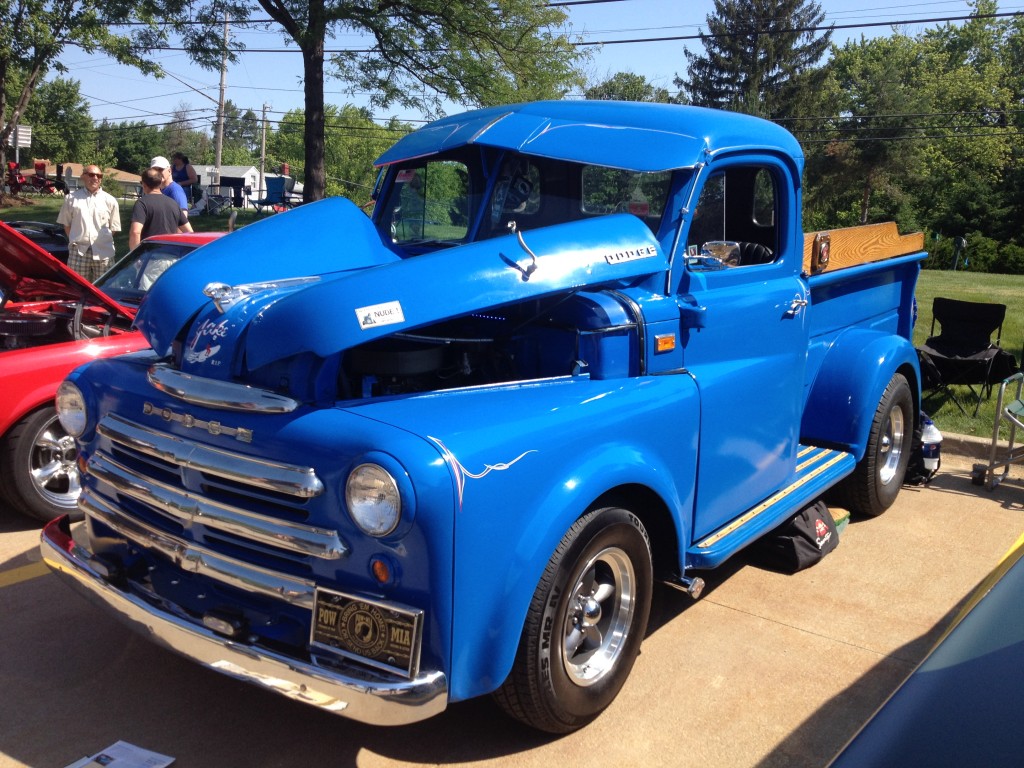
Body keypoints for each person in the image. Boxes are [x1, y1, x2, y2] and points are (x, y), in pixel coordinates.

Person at [56, 164, 121, 281]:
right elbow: (66, 224)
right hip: (78, 252)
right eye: (91, 174)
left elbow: (114, 228)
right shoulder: (71, 199)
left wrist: (101, 240)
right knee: (77, 288)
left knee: (104, 289)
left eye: (99, 175)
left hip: (104, 253)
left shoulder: (110, 200)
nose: (95, 178)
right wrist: (76, 239)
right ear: (83, 177)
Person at [128, 168, 190, 250]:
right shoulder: (173, 203)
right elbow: (189, 231)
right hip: (171, 255)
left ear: (144, 184)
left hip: (151, 255)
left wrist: (134, 256)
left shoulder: (142, 203)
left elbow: (135, 232)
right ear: (160, 183)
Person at [150, 156, 193, 226]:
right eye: (154, 170)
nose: (157, 173)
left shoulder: (175, 191)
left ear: (169, 171)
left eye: (160, 170)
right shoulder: (157, 190)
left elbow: (183, 220)